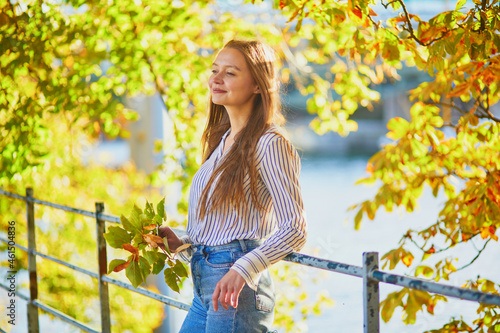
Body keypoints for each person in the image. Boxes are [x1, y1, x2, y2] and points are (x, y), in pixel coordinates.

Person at [160, 39, 307, 333]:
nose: (216, 79)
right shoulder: (221, 142)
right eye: (215, 70)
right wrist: (182, 240)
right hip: (206, 288)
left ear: (257, 85)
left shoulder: (270, 143)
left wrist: (242, 269)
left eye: (230, 72)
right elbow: (225, 228)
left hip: (237, 290)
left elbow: (295, 229)